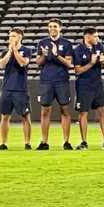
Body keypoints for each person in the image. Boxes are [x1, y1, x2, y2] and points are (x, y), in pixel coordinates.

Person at [35, 19, 75, 151]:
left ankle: (66, 141)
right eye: (50, 26)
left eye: (55, 26)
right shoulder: (42, 43)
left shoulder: (67, 43)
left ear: (60, 29)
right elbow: (38, 63)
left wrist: (57, 54)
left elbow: (69, 63)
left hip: (61, 80)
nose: (52, 28)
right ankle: (44, 141)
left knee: (64, 110)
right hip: (46, 81)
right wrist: (44, 55)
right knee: (45, 111)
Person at [72, 26, 104, 151]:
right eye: (95, 36)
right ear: (87, 37)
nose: (97, 38)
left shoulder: (99, 46)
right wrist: (91, 62)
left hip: (97, 82)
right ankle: (84, 141)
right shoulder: (79, 50)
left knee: (103, 110)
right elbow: (78, 71)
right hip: (84, 83)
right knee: (83, 112)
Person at [0, 29, 33, 151]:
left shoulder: (27, 50)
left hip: (21, 88)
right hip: (6, 88)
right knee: (5, 116)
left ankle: (27, 142)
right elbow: (1, 65)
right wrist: (9, 51)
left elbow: (23, 63)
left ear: (20, 38)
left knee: (25, 116)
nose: (11, 38)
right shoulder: (5, 52)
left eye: (14, 36)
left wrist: (15, 50)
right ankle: (3, 142)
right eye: (10, 36)